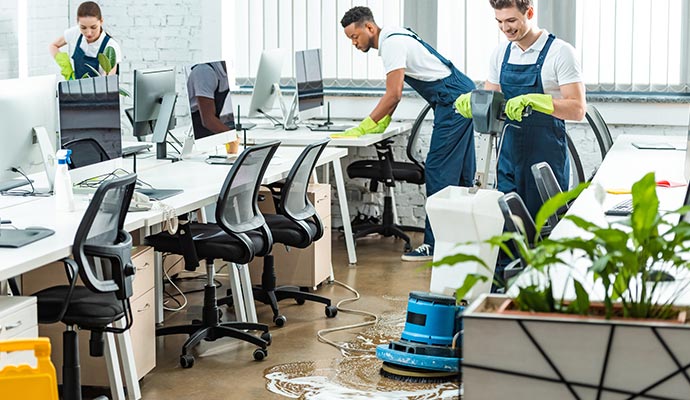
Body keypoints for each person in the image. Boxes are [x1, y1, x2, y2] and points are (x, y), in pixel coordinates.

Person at [454, 0, 586, 288]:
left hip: (545, 155)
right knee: (506, 222)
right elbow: (492, 101)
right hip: (509, 150)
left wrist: (539, 102)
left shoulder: (560, 52)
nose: (505, 28)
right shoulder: (501, 53)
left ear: (530, 12)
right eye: (499, 22)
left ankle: (543, 292)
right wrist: (475, 101)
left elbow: (577, 109)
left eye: (511, 20)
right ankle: (504, 293)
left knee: (541, 225)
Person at [340, 6, 477, 262]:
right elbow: (395, 95)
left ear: (369, 28)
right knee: (460, 173)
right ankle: (462, 241)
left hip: (454, 100)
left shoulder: (391, 45)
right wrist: (383, 120)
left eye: (355, 36)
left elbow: (394, 93)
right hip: (459, 94)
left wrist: (366, 125)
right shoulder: (396, 35)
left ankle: (435, 245)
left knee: (438, 171)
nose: (354, 43)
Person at [49, 1, 122, 80]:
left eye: (93, 27)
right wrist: (67, 69)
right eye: (83, 28)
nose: (89, 33)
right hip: (77, 89)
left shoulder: (111, 47)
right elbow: (53, 46)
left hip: (100, 91)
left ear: (101, 22)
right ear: (78, 23)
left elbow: (109, 82)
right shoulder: (76, 32)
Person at [187, 61, 235, 139]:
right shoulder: (205, 72)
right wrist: (232, 138)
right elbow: (208, 121)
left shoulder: (227, 72)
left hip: (212, 124)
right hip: (197, 128)